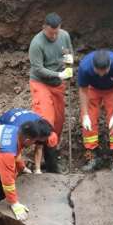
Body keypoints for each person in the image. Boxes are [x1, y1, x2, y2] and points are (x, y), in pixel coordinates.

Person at [28, 12, 74, 173]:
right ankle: (51, 164)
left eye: (56, 32)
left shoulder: (64, 35)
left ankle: (52, 152)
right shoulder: (37, 43)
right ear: (44, 28)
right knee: (47, 121)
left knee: (59, 121)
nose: (54, 36)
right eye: (50, 32)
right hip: (41, 83)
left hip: (57, 84)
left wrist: (69, 66)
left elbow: (68, 53)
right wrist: (58, 74)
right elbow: (38, 69)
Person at [77, 49, 113, 172]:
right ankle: (92, 155)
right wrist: (85, 115)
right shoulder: (84, 67)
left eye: (104, 71)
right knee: (89, 120)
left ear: (109, 65)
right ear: (93, 66)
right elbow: (83, 91)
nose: (101, 74)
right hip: (92, 89)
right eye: (98, 71)